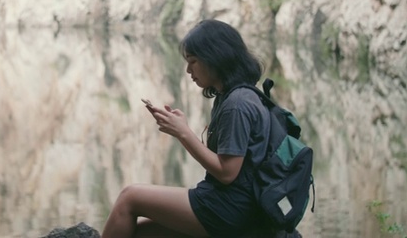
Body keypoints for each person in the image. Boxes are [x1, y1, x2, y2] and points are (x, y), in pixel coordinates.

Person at [101, 19, 277, 238]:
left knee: (129, 197)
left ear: (216, 58)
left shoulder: (237, 104)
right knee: (139, 233)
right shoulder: (233, 96)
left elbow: (227, 172)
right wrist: (182, 127)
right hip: (228, 203)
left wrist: (182, 133)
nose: (187, 70)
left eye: (193, 61)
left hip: (229, 208)